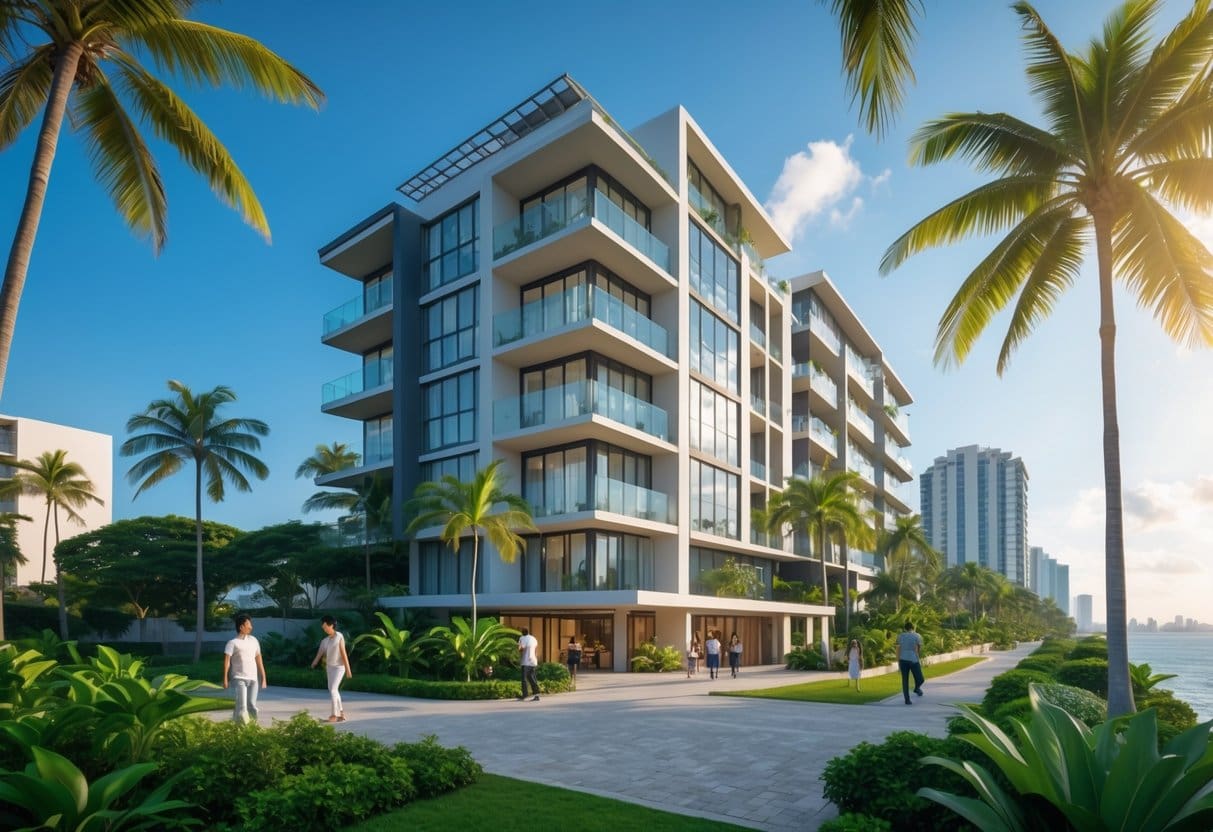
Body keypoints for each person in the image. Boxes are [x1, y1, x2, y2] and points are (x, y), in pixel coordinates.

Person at [222, 613, 266, 724]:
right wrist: (225, 679)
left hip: (253, 679)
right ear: (241, 627)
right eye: (248, 624)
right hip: (239, 679)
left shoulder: (254, 640)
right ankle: (240, 730)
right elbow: (227, 662)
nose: (251, 627)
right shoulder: (232, 643)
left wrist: (263, 677)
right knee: (242, 707)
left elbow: (259, 659)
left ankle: (252, 728)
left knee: (252, 705)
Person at [311, 615, 352, 723]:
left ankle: (334, 715)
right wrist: (314, 663)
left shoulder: (339, 636)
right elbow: (319, 653)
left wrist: (348, 670)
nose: (324, 629)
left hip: (339, 668)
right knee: (334, 690)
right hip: (329, 668)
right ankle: (341, 713)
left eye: (325, 627)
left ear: (331, 625)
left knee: (333, 689)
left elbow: (343, 654)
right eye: (323, 627)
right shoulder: (325, 641)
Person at [897, 620, 925, 705]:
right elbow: (919, 647)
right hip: (913, 659)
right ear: (913, 628)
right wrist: (917, 654)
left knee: (905, 680)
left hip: (903, 659)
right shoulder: (917, 635)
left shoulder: (900, 636)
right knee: (920, 678)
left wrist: (898, 661)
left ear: (905, 628)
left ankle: (907, 699)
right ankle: (917, 688)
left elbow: (898, 648)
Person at [517, 627, 540, 701]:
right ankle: (536, 695)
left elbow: (521, 649)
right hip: (533, 661)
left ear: (522, 632)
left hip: (525, 662)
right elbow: (536, 649)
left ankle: (525, 694)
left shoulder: (522, 638)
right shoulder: (533, 638)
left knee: (524, 679)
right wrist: (535, 659)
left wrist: (518, 647)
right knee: (532, 678)